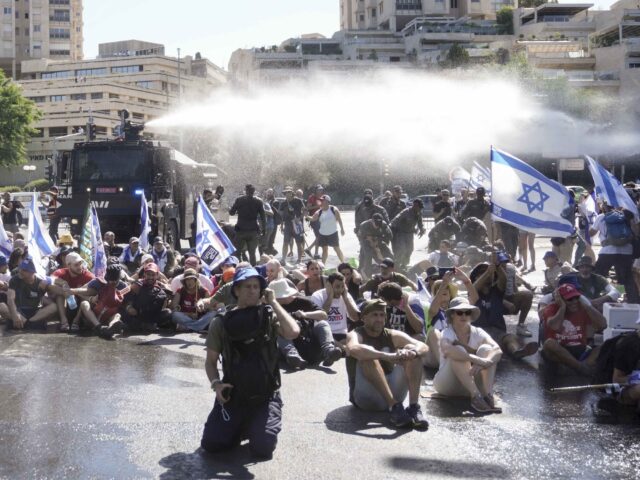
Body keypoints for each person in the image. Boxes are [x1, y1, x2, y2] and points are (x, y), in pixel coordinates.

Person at [200, 267, 300, 458]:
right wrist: (216, 384)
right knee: (211, 444)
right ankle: (243, 425)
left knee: (262, 448)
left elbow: (292, 332)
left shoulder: (269, 316)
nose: (252, 290)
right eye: (247, 286)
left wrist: (273, 303)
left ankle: (258, 423)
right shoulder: (221, 322)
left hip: (265, 394)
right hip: (234, 395)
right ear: (236, 290)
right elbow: (211, 362)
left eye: (256, 286)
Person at [345, 299, 429, 430]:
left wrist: (413, 352)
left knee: (413, 353)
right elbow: (353, 349)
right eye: (374, 315)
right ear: (364, 317)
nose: (379, 319)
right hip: (365, 399)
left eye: (382, 315)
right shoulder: (355, 334)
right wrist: (386, 356)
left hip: (396, 394)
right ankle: (393, 406)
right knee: (367, 355)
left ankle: (413, 407)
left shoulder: (391, 334)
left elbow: (423, 346)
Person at [433, 297, 503, 413]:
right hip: (447, 384)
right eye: (460, 312)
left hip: (470, 381)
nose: (464, 316)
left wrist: (485, 362)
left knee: (487, 349)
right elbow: (447, 350)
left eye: (467, 312)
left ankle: (487, 395)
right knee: (458, 350)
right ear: (452, 315)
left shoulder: (478, 331)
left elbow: (497, 349)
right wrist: (474, 358)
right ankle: (475, 396)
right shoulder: (447, 332)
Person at [471, 260, 538, 360]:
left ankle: (516, 352)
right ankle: (488, 353)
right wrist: (488, 273)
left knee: (510, 338)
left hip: (498, 330)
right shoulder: (473, 293)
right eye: (482, 272)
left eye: (490, 272)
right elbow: (474, 287)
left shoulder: (496, 291)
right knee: (483, 345)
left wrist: (497, 265)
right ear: (476, 277)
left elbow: (504, 281)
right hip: (479, 332)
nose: (488, 274)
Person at [269, 278, 342, 369]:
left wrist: (305, 314)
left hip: (309, 340)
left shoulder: (303, 302)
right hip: (289, 344)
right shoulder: (271, 307)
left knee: (323, 324)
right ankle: (293, 356)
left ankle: (329, 351)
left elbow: (323, 315)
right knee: (279, 327)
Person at [540, 284, 606, 375]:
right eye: (570, 299)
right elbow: (555, 326)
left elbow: (603, 325)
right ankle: (581, 368)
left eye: (576, 297)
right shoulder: (551, 308)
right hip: (559, 350)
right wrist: (562, 307)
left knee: (606, 346)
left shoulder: (583, 307)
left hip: (580, 350)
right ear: (561, 300)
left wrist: (587, 306)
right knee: (549, 343)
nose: (574, 301)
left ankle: (577, 366)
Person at [590, 206, 639, 303]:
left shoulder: (602, 217)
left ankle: (594, 299)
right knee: (626, 278)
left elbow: (591, 233)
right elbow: (637, 232)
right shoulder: (628, 216)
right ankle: (632, 302)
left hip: (607, 251)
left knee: (598, 276)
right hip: (626, 252)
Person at [69, 263, 129, 339]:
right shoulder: (97, 282)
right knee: (84, 304)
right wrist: (91, 299)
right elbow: (81, 292)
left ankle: (112, 327)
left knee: (117, 315)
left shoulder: (123, 286)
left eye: (115, 281)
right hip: (93, 315)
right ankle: (99, 327)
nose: (113, 283)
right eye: (111, 281)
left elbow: (128, 301)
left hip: (108, 316)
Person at [0, 258, 59, 329]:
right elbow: (10, 299)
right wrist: (15, 315)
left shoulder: (40, 282)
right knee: (1, 306)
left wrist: (65, 289)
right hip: (19, 311)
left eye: (24, 270)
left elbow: (56, 287)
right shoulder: (14, 280)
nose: (20, 271)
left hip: (35, 313)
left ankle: (28, 323)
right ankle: (26, 323)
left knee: (54, 307)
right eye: (20, 268)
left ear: (32, 272)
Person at [50, 251, 95, 331]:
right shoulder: (62, 272)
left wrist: (76, 291)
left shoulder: (87, 275)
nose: (80, 267)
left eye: (80, 263)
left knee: (84, 295)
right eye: (76, 265)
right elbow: (49, 279)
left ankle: (76, 321)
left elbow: (96, 288)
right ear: (68, 265)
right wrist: (63, 283)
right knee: (60, 294)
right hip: (66, 307)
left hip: (81, 310)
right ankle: (64, 321)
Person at [311, 272, 360, 344]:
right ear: (329, 285)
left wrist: (346, 299)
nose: (340, 290)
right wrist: (330, 296)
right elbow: (320, 317)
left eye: (342, 286)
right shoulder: (317, 296)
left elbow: (355, 318)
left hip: (342, 334)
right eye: (337, 287)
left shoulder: (346, 295)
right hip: (324, 333)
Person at [122, 263, 171, 332]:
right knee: (128, 317)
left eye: (153, 275)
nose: (150, 277)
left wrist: (166, 299)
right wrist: (129, 307)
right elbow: (124, 297)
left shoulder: (161, 286)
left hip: (152, 315)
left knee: (167, 312)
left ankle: (151, 325)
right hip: (138, 314)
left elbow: (164, 305)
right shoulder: (137, 284)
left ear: (157, 275)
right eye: (148, 274)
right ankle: (143, 326)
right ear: (144, 274)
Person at [229, 184, 266, 266]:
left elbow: (231, 213)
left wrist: (230, 208)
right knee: (252, 253)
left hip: (241, 230)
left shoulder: (239, 200)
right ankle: (254, 270)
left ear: (245, 191)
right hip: (253, 230)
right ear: (254, 192)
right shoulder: (258, 201)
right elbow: (263, 217)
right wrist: (264, 230)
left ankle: (239, 268)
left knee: (238, 252)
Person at [171, 268, 215, 332]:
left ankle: (189, 327)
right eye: (187, 279)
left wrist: (204, 308)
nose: (189, 281)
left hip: (201, 318)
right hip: (185, 317)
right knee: (175, 315)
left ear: (195, 280)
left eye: (191, 278)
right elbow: (175, 307)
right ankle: (199, 327)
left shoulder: (203, 291)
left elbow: (211, 307)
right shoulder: (180, 291)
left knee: (213, 313)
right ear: (184, 281)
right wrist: (188, 314)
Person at [390, 199, 425, 272]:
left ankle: (404, 264)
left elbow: (420, 222)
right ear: (415, 206)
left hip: (409, 234)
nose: (420, 209)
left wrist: (422, 229)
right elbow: (395, 219)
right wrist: (390, 228)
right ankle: (396, 265)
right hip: (401, 233)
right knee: (401, 249)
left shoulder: (418, 213)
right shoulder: (406, 212)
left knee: (410, 249)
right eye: (419, 207)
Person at [311, 194, 346, 265]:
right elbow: (312, 219)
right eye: (320, 200)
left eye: (322, 200)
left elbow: (339, 219)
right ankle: (323, 266)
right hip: (323, 234)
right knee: (324, 250)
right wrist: (306, 216)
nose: (321, 202)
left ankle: (343, 263)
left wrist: (342, 229)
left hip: (333, 233)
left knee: (336, 248)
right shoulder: (319, 212)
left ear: (327, 202)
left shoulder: (334, 209)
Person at [357, 213, 393, 278]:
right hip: (366, 242)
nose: (377, 226)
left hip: (379, 241)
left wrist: (377, 240)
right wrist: (369, 240)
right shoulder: (364, 225)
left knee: (389, 254)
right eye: (376, 224)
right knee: (368, 255)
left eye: (379, 225)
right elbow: (360, 237)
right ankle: (367, 275)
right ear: (372, 221)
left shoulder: (384, 225)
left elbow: (390, 236)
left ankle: (391, 271)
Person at [279, 187, 306, 265]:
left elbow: (305, 211)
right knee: (285, 242)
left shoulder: (298, 201)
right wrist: (281, 226)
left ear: (292, 193)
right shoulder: (283, 203)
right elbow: (281, 216)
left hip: (297, 225)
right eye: (286, 192)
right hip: (287, 225)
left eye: (289, 192)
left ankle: (299, 259)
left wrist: (299, 218)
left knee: (299, 242)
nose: (287, 194)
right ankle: (283, 259)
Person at [305, 184, 325, 260]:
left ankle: (311, 250)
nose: (320, 191)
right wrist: (318, 206)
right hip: (314, 219)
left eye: (321, 189)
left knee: (319, 236)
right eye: (319, 189)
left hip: (322, 219)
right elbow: (308, 207)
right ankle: (314, 252)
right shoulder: (312, 197)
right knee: (319, 236)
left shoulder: (323, 197)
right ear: (315, 190)